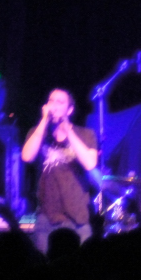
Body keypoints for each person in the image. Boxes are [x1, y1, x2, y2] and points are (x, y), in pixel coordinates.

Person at [21, 89, 98, 252]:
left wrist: (67, 129)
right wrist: (44, 121)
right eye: (51, 101)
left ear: (70, 110)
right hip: (46, 218)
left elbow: (90, 164)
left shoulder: (85, 134)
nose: (54, 106)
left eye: (60, 102)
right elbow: (27, 156)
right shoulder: (37, 133)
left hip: (77, 218)